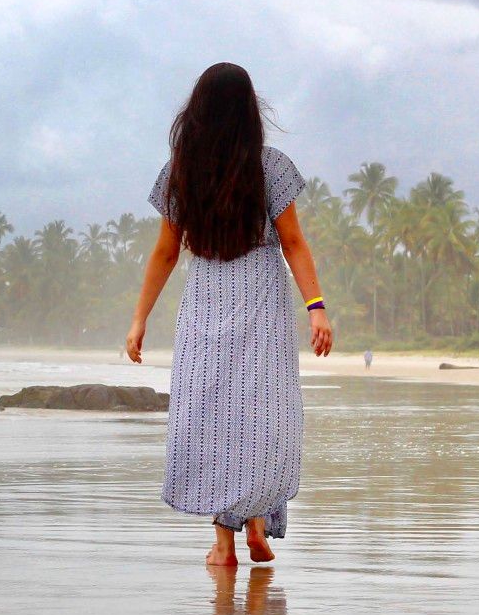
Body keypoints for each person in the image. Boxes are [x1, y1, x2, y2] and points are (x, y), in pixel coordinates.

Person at [126, 62, 332, 568]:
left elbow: (166, 253)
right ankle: (257, 522)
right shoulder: (271, 166)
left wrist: (139, 319)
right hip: (262, 298)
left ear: (196, 112)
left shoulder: (181, 171)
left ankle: (224, 543)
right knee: (262, 413)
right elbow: (293, 244)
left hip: (206, 299)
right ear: (248, 112)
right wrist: (316, 307)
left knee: (213, 415)